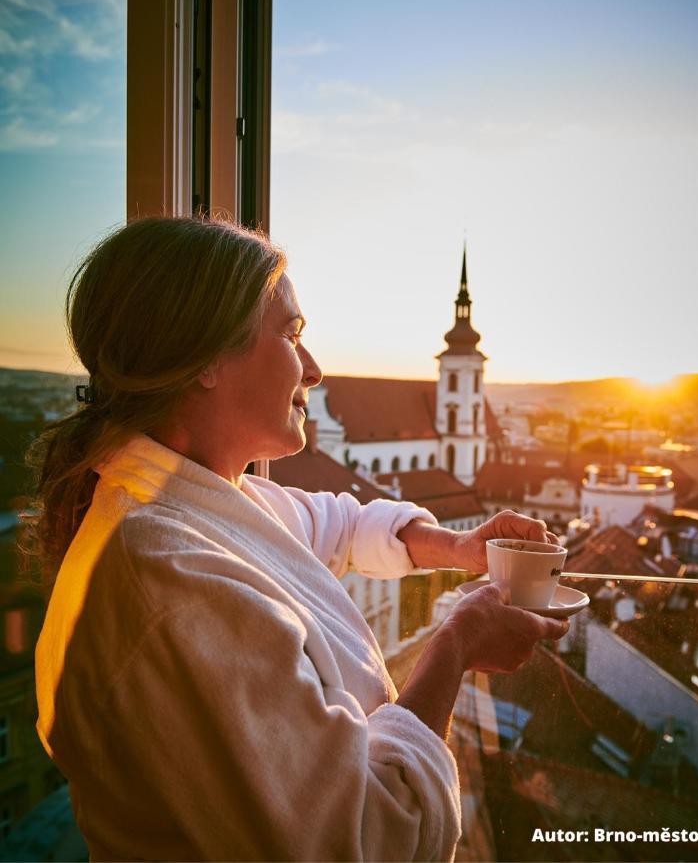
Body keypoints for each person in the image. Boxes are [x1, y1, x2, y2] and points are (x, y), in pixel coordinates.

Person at [31, 217, 568, 862]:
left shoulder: (200, 499)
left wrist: (454, 547)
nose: (312, 371)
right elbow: (370, 838)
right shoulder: (173, 582)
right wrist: (454, 646)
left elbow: (330, 520)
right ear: (204, 359)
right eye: (291, 333)